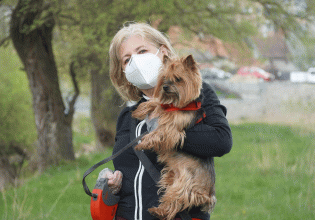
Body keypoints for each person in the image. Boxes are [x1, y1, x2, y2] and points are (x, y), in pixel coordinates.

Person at [104, 22, 233, 220]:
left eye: (142, 51)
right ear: (123, 71)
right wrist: (114, 186)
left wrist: (167, 130)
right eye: (127, 59)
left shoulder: (198, 97)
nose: (136, 62)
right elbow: (129, 172)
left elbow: (221, 141)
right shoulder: (129, 116)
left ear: (162, 51)